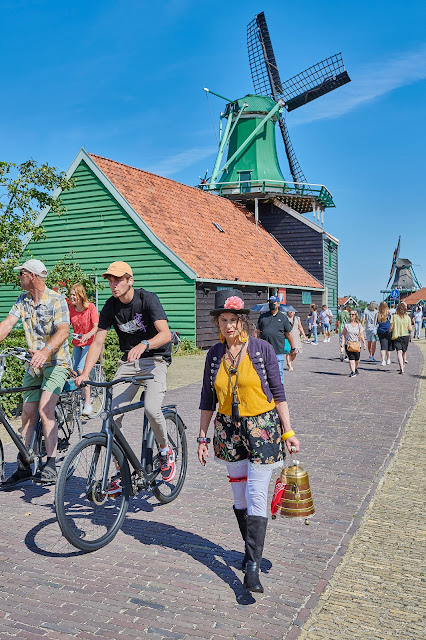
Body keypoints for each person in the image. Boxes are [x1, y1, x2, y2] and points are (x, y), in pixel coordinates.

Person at [197, 289, 299, 593]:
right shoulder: (214, 354)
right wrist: (202, 438)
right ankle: (249, 550)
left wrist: (289, 431)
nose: (229, 325)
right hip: (229, 430)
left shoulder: (261, 349)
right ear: (218, 322)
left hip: (262, 428)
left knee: (256, 492)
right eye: (224, 320)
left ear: (243, 321)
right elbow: (207, 399)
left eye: (234, 319)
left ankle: (252, 568)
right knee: (239, 498)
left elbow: (278, 392)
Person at [75, 261, 174, 485]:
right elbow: (97, 342)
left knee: (151, 408)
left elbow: (165, 334)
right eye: (110, 280)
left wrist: (145, 345)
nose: (113, 284)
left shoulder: (147, 299)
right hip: (130, 362)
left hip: (155, 360)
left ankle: (165, 450)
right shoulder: (110, 306)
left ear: (130, 280)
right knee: (110, 415)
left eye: (118, 279)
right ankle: (123, 470)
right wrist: (85, 373)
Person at [0, 259, 71, 486]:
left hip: (56, 363)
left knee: (44, 409)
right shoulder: (23, 300)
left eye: (21, 273)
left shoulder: (57, 300)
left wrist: (46, 351)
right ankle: (24, 465)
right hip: (34, 365)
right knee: (27, 412)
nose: (18, 277)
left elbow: (63, 331)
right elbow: (8, 324)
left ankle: (50, 463)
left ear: (32, 276)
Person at [69, 284, 99, 415]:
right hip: (76, 343)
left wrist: (88, 334)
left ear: (81, 295)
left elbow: (96, 327)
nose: (71, 297)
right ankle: (80, 398)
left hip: (89, 343)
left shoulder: (90, 307)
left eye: (74, 295)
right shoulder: (71, 309)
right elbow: (65, 325)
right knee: (74, 372)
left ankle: (88, 404)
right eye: (70, 295)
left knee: (82, 371)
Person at [256, 295, 295, 383]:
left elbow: (288, 333)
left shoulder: (283, 318)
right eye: (270, 303)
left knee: (278, 371)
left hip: (278, 349)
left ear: (278, 304)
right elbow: (257, 331)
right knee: (264, 371)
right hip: (264, 349)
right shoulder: (263, 317)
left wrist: (293, 347)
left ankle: (278, 388)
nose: (271, 305)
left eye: (273, 303)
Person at [341, 310, 367, 377]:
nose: (351, 316)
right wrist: (342, 343)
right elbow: (343, 334)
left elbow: (361, 335)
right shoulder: (346, 324)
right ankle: (353, 372)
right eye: (350, 314)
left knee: (357, 359)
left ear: (355, 316)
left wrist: (364, 343)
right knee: (351, 359)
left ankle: (355, 368)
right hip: (349, 344)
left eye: (352, 314)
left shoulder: (359, 325)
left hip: (357, 344)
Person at [390, 302, 412, 374]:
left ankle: (401, 369)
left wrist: (389, 331)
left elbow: (391, 328)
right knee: (404, 352)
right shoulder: (407, 317)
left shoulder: (394, 317)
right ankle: (403, 366)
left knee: (399, 352)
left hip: (397, 336)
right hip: (405, 336)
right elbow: (410, 328)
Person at [377, 301, 394, 366]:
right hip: (388, 330)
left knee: (383, 346)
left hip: (381, 331)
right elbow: (392, 320)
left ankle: (383, 360)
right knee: (388, 346)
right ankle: (388, 359)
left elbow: (376, 323)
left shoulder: (378, 314)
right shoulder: (388, 313)